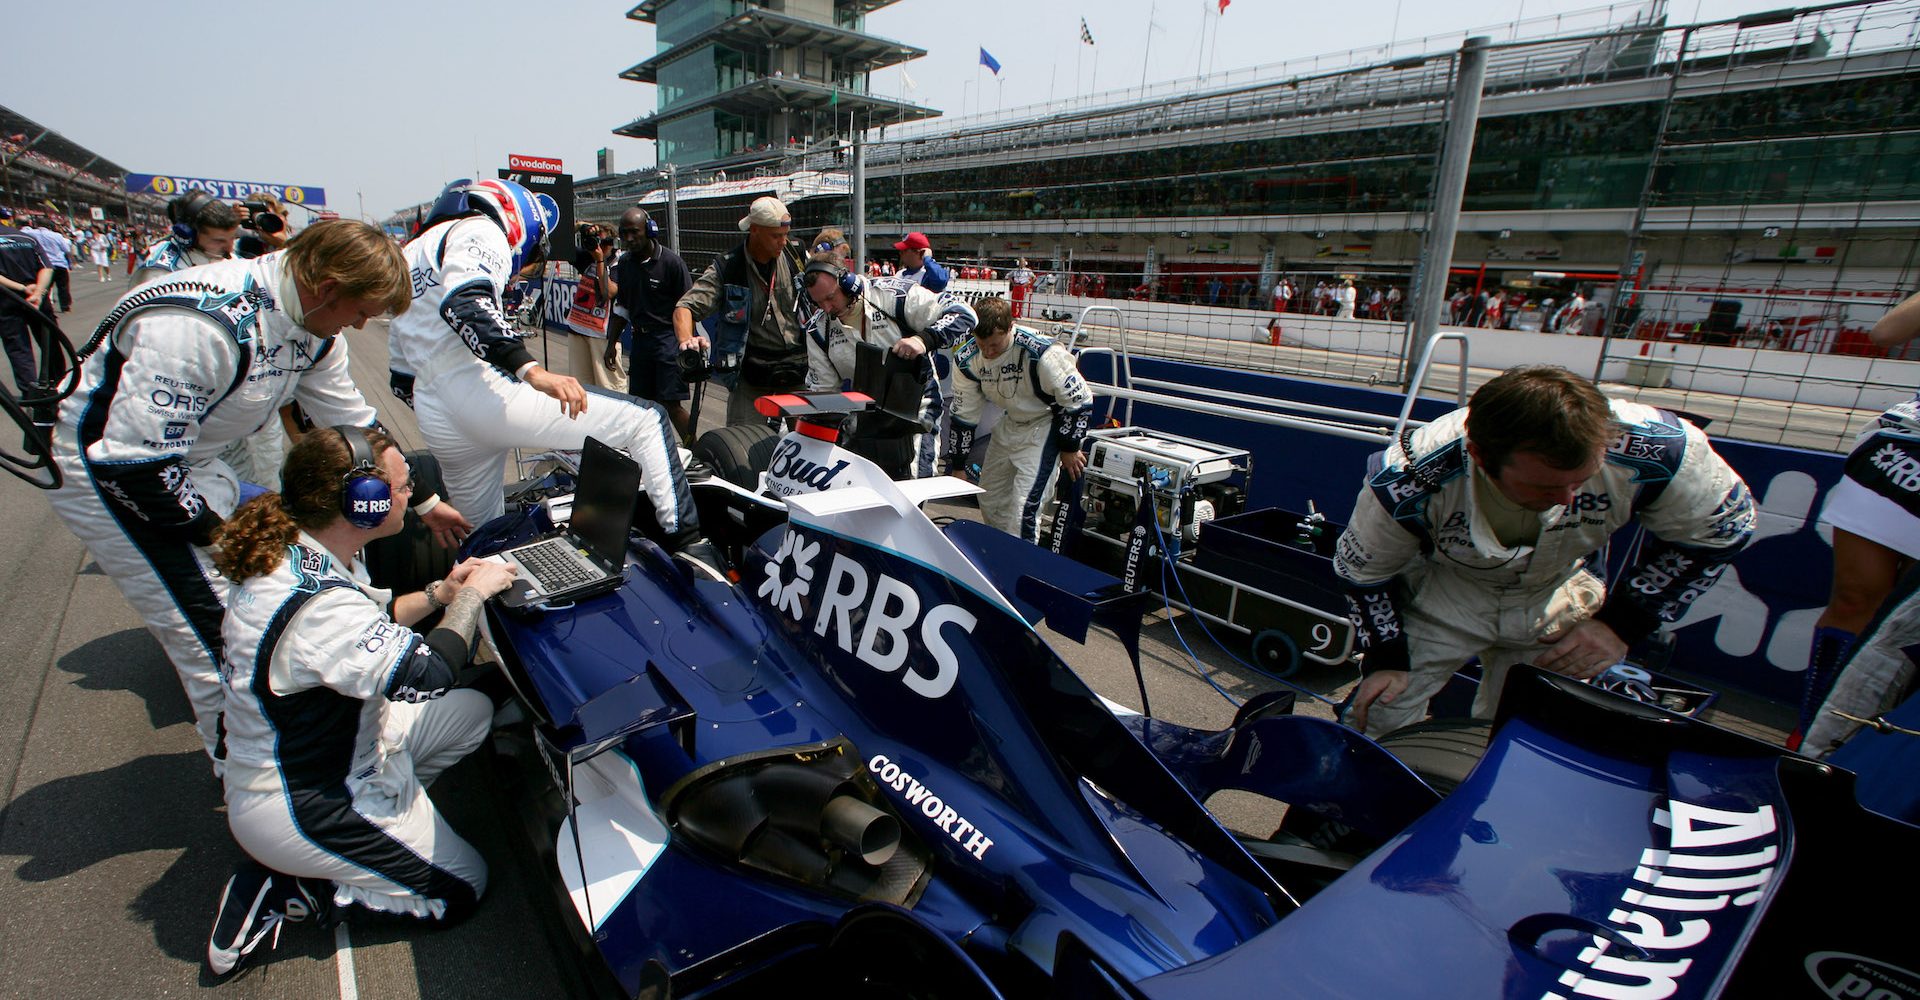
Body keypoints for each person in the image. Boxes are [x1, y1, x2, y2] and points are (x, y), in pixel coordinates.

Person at [47, 220, 469, 771]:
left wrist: (425, 504)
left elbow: (359, 428)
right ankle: (248, 778)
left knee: (265, 591)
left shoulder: (313, 324)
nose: (363, 324)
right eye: (361, 311)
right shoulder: (204, 326)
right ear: (327, 288)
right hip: (113, 470)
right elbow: (137, 465)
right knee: (216, 632)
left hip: (194, 460)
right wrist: (230, 546)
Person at [205, 426, 516, 978]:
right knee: (463, 886)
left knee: (475, 712)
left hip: (341, 746)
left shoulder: (306, 551)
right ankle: (292, 885)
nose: (410, 492)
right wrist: (472, 596)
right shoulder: (317, 604)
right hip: (307, 801)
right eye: (401, 485)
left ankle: (387, 832)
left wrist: (443, 593)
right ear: (363, 505)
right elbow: (430, 671)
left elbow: (370, 627)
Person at [1333, 365, 1756, 736]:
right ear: (1479, 455)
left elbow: (1725, 529)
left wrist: (1620, 625)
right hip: (1446, 591)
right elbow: (1361, 571)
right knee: (1378, 712)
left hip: (1560, 590)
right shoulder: (1410, 475)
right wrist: (1386, 657)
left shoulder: (1665, 449)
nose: (1567, 497)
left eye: (1581, 479)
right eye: (1546, 486)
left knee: (1543, 729)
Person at [389, 179, 701, 544]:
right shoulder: (481, 229)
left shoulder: (411, 253)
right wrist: (533, 373)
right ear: (516, 218)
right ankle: (692, 548)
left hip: (434, 411)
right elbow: (466, 304)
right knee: (647, 420)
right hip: (481, 389)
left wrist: (450, 403)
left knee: (482, 538)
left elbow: (399, 376)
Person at [1800, 291, 1920, 748]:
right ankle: (1811, 738)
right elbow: (1886, 332)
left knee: (1905, 631)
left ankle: (1866, 750)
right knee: (1856, 599)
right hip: (1907, 446)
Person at [800, 253, 977, 478]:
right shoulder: (818, 330)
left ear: (846, 281)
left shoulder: (896, 295)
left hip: (915, 412)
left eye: (830, 297)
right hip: (863, 420)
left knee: (912, 487)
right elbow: (824, 394)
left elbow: (965, 314)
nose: (826, 308)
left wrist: (923, 339)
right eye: (818, 302)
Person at [946, 296, 1093, 542]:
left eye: (995, 344)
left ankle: (1023, 569)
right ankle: (1000, 554)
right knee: (990, 497)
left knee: (1024, 507)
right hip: (1009, 423)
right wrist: (959, 466)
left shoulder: (1041, 352)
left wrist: (1070, 447)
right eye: (982, 345)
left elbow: (1079, 399)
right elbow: (963, 416)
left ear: (1010, 328)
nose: (989, 352)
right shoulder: (967, 359)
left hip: (1045, 424)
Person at [673, 196, 808, 426]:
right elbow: (685, 307)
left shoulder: (796, 255)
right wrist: (687, 340)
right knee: (741, 445)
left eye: (786, 234)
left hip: (797, 368)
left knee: (809, 445)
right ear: (754, 230)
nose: (783, 242)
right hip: (751, 372)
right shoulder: (728, 267)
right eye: (776, 236)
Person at [608, 207, 694, 439]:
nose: (629, 239)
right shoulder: (625, 264)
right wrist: (611, 344)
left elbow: (688, 307)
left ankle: (698, 452)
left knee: (670, 404)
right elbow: (621, 307)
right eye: (624, 233)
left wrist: (687, 344)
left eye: (634, 232)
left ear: (649, 230)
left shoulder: (672, 263)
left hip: (668, 342)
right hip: (641, 343)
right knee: (641, 406)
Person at [132, 192, 241, 288]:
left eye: (232, 238)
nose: (230, 248)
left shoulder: (234, 260)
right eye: (219, 241)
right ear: (187, 235)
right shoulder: (158, 271)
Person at [0, 211, 53, 404]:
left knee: (19, 347)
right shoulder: (25, 237)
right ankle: (58, 385)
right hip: (37, 297)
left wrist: (22, 288)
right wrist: (38, 291)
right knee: (49, 342)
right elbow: (47, 267)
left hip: (7, 298)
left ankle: (32, 395)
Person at [20, 215, 73, 313]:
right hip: (59, 263)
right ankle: (65, 307)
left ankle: (45, 307)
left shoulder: (31, 233)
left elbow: (22, 231)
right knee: (63, 287)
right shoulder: (56, 235)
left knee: (44, 287)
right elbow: (66, 250)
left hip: (44, 264)